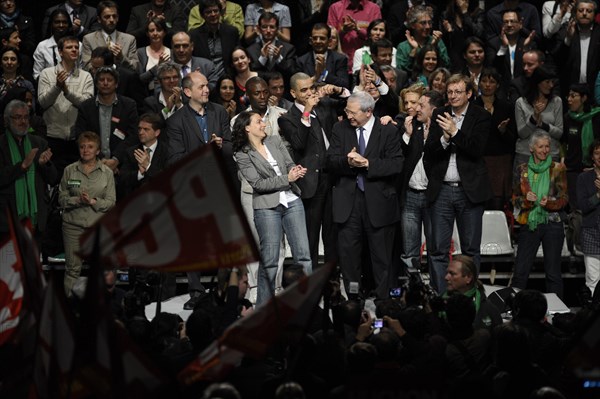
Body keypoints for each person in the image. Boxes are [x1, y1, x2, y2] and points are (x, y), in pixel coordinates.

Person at [327, 91, 404, 299]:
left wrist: (369, 164)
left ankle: (383, 303)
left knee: (382, 258)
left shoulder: (387, 131)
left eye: (352, 112)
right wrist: (347, 162)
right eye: (347, 111)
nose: (348, 116)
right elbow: (330, 161)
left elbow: (396, 164)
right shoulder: (339, 128)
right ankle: (353, 302)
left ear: (369, 112)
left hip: (379, 204)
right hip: (348, 204)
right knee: (349, 258)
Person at [233, 110, 311, 305]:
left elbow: (288, 163)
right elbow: (258, 184)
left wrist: (295, 170)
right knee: (269, 260)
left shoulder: (275, 141)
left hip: (291, 200)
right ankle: (264, 305)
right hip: (266, 207)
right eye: (259, 122)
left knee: (303, 256)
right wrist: (287, 178)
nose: (264, 124)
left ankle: (307, 301)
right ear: (247, 127)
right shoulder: (242, 154)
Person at [423, 74, 492, 294]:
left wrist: (454, 132)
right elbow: (430, 151)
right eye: (450, 92)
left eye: (458, 92)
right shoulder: (439, 114)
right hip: (441, 190)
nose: (452, 96)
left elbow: (476, 149)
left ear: (469, 94)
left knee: (471, 250)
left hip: (469, 191)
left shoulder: (481, 116)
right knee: (438, 250)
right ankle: (442, 295)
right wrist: (444, 139)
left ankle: (468, 295)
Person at [166, 70, 228, 309]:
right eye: (201, 86)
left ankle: (222, 289)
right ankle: (195, 291)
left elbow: (232, 146)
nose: (207, 90)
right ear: (187, 92)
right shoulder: (175, 122)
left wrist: (221, 146)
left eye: (207, 86)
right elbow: (175, 160)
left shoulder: (219, 112)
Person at [279, 72, 348, 271]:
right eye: (304, 90)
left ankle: (332, 281)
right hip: (310, 183)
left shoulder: (325, 106)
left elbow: (351, 103)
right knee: (309, 236)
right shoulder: (287, 118)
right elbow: (299, 143)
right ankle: (310, 282)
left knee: (332, 234)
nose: (310, 93)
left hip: (333, 178)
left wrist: (338, 90)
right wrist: (307, 112)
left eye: (311, 87)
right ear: (293, 93)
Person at [512, 132, 568, 298]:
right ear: (531, 148)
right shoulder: (522, 170)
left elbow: (564, 199)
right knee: (521, 271)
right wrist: (526, 200)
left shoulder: (558, 169)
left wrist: (550, 203)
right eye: (540, 146)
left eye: (547, 146)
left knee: (553, 274)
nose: (545, 150)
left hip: (553, 224)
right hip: (530, 222)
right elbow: (515, 199)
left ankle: (557, 313)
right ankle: (516, 311)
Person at [59, 131, 115, 296]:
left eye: (90, 147)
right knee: (72, 270)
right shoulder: (70, 171)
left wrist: (93, 202)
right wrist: (77, 200)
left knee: (101, 270)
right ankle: (70, 310)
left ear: (98, 151)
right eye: (82, 147)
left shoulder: (107, 173)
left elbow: (111, 202)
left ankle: (100, 309)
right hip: (72, 227)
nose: (86, 150)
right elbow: (62, 198)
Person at [397, 90, 445, 273]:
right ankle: (412, 291)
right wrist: (407, 135)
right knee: (409, 251)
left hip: (434, 197)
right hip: (410, 196)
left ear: (433, 109)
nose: (416, 108)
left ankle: (436, 288)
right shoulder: (412, 127)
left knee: (435, 249)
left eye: (421, 105)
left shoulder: (443, 129)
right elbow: (403, 157)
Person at [38, 36, 94, 176]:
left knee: (74, 181)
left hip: (76, 139)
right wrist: (57, 87)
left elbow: (87, 104)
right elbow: (43, 102)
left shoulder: (86, 76)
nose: (74, 50)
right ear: (60, 52)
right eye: (69, 47)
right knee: (54, 178)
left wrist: (67, 92)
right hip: (52, 137)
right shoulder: (46, 73)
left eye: (76, 47)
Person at [0, 100, 57, 236]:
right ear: (7, 120)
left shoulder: (39, 143)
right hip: (7, 221)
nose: (23, 121)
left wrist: (45, 165)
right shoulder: (1, 145)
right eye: (18, 117)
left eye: (26, 117)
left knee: (33, 257)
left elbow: (53, 179)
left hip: (35, 220)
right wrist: (21, 167)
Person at [72, 66, 139, 173]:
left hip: (122, 166)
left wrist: (116, 160)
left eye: (110, 80)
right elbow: (81, 135)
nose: (105, 83)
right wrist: (101, 160)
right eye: (102, 80)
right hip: (92, 164)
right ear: (96, 84)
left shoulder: (129, 105)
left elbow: (133, 135)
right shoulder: (85, 107)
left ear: (116, 84)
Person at [475, 67, 515, 210]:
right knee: (479, 203)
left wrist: (503, 131)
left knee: (497, 203)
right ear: (479, 83)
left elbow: (513, 139)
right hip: (479, 160)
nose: (487, 85)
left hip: (500, 160)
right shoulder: (473, 106)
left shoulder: (506, 106)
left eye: (491, 82)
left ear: (497, 85)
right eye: (484, 81)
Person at [514, 66, 563, 170]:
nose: (551, 85)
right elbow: (522, 134)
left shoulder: (556, 101)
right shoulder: (521, 103)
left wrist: (543, 125)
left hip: (550, 155)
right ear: (537, 82)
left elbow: (559, 133)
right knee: (524, 187)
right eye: (547, 82)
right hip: (525, 155)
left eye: (552, 82)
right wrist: (534, 118)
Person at [443, 255, 503, 330]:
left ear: (468, 278)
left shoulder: (488, 311)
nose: (446, 277)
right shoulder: (438, 306)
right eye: (447, 273)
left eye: (452, 274)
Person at [118, 113, 168, 200]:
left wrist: (148, 166)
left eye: (146, 129)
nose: (141, 132)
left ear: (157, 132)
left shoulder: (167, 151)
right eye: (139, 129)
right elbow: (122, 180)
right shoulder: (130, 152)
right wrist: (139, 174)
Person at [485, 9, 538, 87]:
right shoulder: (493, 44)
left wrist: (525, 48)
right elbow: (493, 69)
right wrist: (504, 47)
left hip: (524, 88)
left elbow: (530, 70)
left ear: (520, 24)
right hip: (501, 89)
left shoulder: (529, 43)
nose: (509, 25)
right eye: (506, 22)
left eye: (512, 21)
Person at [558, 0, 600, 97]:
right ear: (575, 13)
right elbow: (558, 60)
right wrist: (568, 38)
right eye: (581, 10)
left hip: (595, 90)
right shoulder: (566, 29)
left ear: (595, 15)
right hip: (570, 89)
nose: (584, 14)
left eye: (589, 11)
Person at [81, 1, 139, 72]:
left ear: (118, 18)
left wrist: (121, 57)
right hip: (98, 81)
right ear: (99, 19)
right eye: (107, 17)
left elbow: (135, 67)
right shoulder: (89, 39)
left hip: (123, 80)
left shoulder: (130, 39)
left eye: (114, 16)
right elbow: (86, 66)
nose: (111, 20)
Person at [188, 0, 239, 81]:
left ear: (220, 12)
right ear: (202, 15)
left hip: (228, 79)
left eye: (216, 11)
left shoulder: (231, 32)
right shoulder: (194, 35)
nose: (213, 14)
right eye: (208, 12)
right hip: (204, 79)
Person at [327, 0, 382, 73]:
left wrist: (358, 29)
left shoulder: (374, 9)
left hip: (367, 62)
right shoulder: (335, 8)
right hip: (340, 64)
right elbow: (329, 39)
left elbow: (378, 38)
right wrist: (343, 31)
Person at [396, 5, 449, 74]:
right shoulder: (403, 47)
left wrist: (434, 47)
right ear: (413, 25)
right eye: (423, 23)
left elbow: (446, 65)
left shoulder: (437, 41)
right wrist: (414, 51)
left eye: (429, 23)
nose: (428, 26)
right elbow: (402, 72)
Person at [577, 139, 600, 296]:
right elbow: (584, 206)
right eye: (597, 153)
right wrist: (598, 195)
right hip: (592, 232)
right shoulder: (584, 178)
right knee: (593, 280)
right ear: (592, 156)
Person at [296, 23, 350, 89]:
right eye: (315, 38)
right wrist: (316, 76)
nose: (318, 41)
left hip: (332, 97)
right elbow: (298, 86)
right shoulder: (301, 61)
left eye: (322, 38)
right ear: (310, 41)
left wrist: (324, 74)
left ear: (329, 41)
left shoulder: (340, 59)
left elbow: (344, 84)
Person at [245, 12, 297, 81]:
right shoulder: (250, 50)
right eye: (264, 27)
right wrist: (262, 59)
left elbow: (292, 73)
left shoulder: (289, 49)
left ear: (277, 29)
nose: (268, 31)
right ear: (258, 28)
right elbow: (250, 74)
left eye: (272, 27)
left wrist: (279, 59)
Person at [33, 8, 78, 81]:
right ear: (51, 24)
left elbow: (81, 72)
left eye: (64, 22)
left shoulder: (78, 45)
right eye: (57, 22)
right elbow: (37, 75)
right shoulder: (42, 46)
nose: (61, 25)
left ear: (69, 24)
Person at [441, 0, 485, 72]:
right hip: (454, 58)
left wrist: (465, 13)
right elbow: (445, 43)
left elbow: (478, 33)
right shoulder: (446, 15)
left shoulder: (478, 13)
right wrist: (448, 32)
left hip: (473, 56)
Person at [136, 17, 171, 93]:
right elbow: (140, 79)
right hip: (148, 95)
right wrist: (158, 67)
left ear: (164, 32)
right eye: (151, 30)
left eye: (159, 30)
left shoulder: (172, 52)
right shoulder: (140, 52)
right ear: (147, 33)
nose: (155, 33)